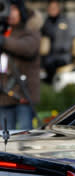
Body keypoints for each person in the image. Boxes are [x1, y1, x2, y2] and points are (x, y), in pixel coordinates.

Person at [0, 0, 41, 130]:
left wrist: (3, 41)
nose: (10, 13)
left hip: (23, 95)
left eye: (14, 9)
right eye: (8, 9)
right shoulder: (4, 32)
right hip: (3, 96)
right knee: (4, 139)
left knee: (25, 139)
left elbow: (27, 48)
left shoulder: (30, 31)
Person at [41, 0, 71, 84]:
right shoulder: (47, 21)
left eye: (54, 8)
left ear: (58, 9)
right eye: (50, 8)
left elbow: (65, 39)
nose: (51, 10)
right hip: (49, 55)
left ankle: (50, 83)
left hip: (62, 55)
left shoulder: (63, 21)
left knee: (50, 64)